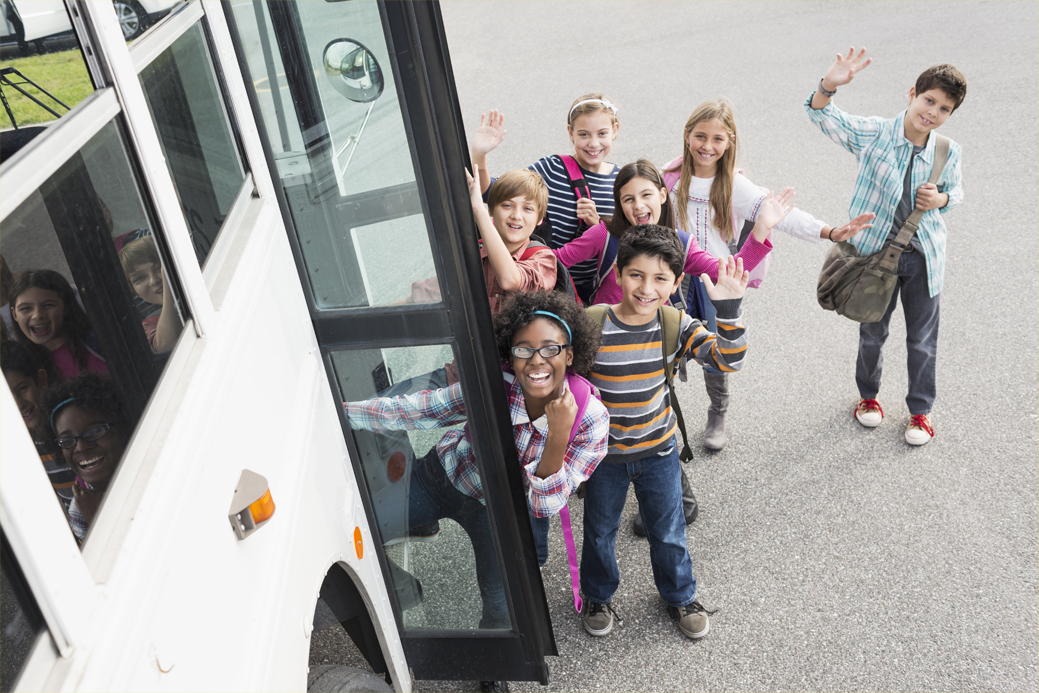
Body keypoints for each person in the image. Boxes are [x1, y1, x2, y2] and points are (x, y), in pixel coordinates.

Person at [344, 290, 609, 629]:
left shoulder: (592, 419)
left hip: (499, 511)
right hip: (442, 477)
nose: (537, 360)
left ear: (570, 355)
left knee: (500, 598)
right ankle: (400, 588)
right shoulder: (494, 384)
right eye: (523, 350)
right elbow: (423, 409)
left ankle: (495, 665)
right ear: (510, 356)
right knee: (361, 526)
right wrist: (344, 414)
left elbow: (544, 506)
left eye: (551, 349)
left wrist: (557, 437)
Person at [665, 99, 875, 450]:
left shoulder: (732, 185)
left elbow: (781, 214)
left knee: (717, 348)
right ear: (687, 136)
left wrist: (830, 231)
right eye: (700, 136)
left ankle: (718, 410)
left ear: (729, 142)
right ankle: (660, 416)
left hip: (718, 279)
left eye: (718, 139)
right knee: (667, 343)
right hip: (672, 279)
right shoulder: (668, 178)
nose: (707, 146)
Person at [579, 224, 751, 641]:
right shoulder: (591, 323)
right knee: (600, 531)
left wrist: (728, 311)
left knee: (668, 529)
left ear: (676, 282)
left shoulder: (676, 323)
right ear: (619, 274)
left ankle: (680, 596)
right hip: (604, 457)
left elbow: (726, 361)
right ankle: (597, 595)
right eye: (636, 274)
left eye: (660, 279)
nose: (646, 288)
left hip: (659, 451)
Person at [805, 48, 965, 446]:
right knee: (872, 332)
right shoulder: (875, 134)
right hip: (874, 257)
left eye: (943, 108)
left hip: (924, 258)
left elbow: (956, 192)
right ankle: (869, 398)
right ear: (912, 93)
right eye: (928, 100)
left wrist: (941, 200)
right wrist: (829, 84)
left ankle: (920, 413)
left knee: (923, 340)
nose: (932, 112)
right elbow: (822, 115)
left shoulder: (947, 151)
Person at [470, 94, 621, 300]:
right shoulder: (552, 169)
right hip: (546, 280)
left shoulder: (620, 184)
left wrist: (599, 225)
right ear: (570, 132)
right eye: (584, 134)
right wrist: (480, 154)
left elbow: (625, 242)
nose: (593, 143)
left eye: (602, 133)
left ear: (615, 130)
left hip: (599, 290)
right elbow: (494, 193)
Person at [43, 373, 133, 541]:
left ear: (121, 428)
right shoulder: (79, 511)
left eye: (94, 432)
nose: (81, 447)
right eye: (67, 440)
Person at [2, 341, 76, 514]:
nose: (18, 404)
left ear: (41, 380)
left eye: (22, 389)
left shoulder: (71, 427)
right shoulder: (28, 443)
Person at [8, 269, 108, 381]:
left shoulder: (100, 340)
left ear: (66, 307)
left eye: (48, 305)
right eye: (26, 308)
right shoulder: (18, 365)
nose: (37, 315)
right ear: (14, 314)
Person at [118, 236, 181, 353]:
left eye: (158, 268)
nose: (153, 281)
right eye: (139, 278)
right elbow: (166, 343)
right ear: (133, 290)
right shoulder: (147, 327)